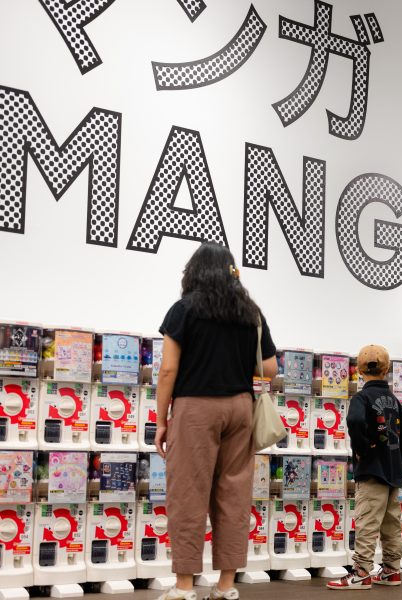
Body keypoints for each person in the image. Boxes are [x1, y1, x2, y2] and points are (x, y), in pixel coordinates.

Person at [155, 243, 278, 600]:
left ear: (194, 272)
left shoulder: (184, 310)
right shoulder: (249, 312)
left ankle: (184, 586)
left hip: (196, 409)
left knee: (188, 495)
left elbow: (167, 371)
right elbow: (269, 367)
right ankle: (226, 585)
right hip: (240, 408)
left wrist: (161, 420)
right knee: (234, 495)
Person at [327, 345, 402, 590]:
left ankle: (361, 573)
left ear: (358, 371)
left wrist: (362, 449)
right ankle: (391, 570)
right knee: (391, 523)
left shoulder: (361, 398)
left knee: (367, 522)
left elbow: (355, 420)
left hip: (371, 472)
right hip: (392, 473)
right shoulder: (392, 399)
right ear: (387, 369)